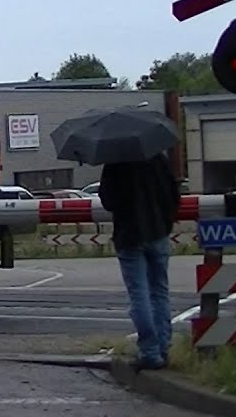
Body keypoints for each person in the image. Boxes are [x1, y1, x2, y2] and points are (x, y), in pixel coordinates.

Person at [97, 151, 181, 370]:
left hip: (129, 235)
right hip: (158, 231)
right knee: (159, 292)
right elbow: (174, 195)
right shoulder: (158, 158)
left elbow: (108, 201)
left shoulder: (115, 161)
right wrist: (165, 221)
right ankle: (163, 346)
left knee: (139, 295)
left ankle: (150, 352)